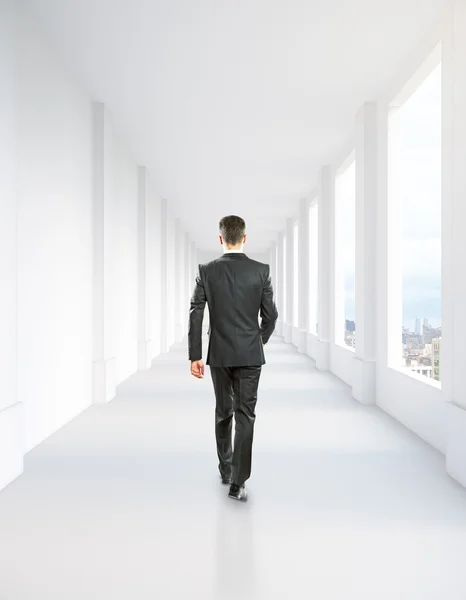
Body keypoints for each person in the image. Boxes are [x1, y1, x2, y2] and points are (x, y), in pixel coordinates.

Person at [188, 215, 278, 502]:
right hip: (251, 354)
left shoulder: (207, 271)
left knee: (223, 411)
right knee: (246, 415)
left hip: (220, 354)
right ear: (245, 238)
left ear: (220, 239)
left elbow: (196, 313)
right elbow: (271, 315)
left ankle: (226, 468)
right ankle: (238, 483)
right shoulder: (260, 271)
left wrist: (195, 356)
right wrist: (260, 339)